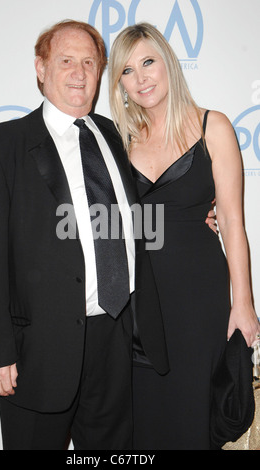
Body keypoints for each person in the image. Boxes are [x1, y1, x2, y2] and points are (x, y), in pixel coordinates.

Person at [0, 20, 170, 450]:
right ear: (41, 69)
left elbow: (134, 219)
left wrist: (200, 212)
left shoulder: (112, 134)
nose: (79, 73)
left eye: (89, 63)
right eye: (66, 61)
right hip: (37, 351)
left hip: (115, 343)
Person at [108, 22, 260, 450]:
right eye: (127, 70)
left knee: (193, 413)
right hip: (137, 307)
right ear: (118, 83)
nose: (141, 78)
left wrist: (244, 304)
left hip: (199, 302)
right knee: (142, 422)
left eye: (149, 62)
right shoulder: (119, 140)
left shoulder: (214, 127)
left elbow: (232, 221)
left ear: (169, 64)